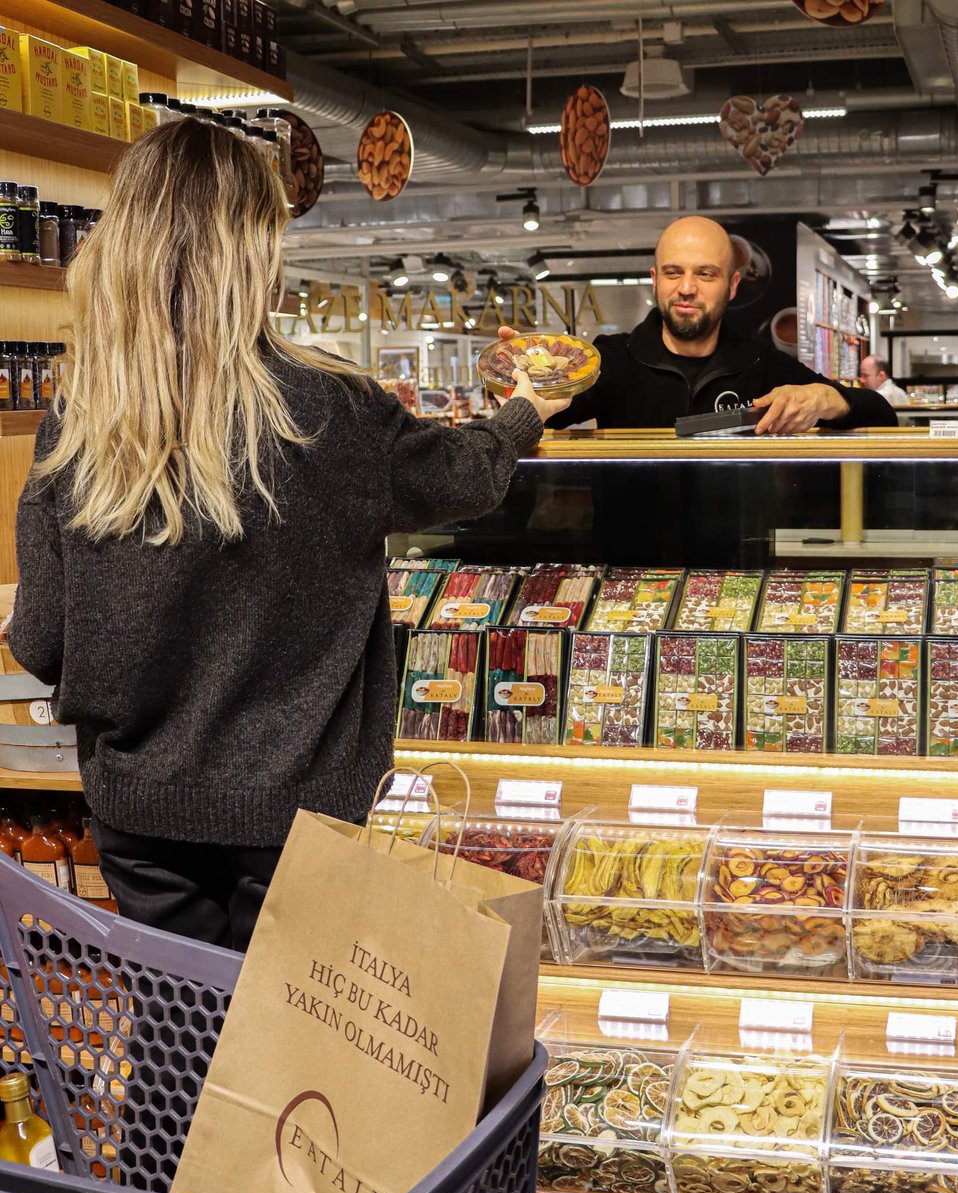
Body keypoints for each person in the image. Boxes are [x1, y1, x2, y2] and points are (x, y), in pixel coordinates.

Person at [6, 119, 567, 952]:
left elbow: (41, 642)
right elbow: (463, 476)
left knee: (177, 1019)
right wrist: (522, 413)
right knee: (297, 1030)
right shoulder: (328, 408)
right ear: (254, 249)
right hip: (304, 819)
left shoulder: (77, 424)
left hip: (139, 818)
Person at [520, 215, 897, 433]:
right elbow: (545, 412)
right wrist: (521, 376)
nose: (686, 288)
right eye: (673, 272)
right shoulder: (613, 359)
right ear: (655, 280)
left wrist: (826, 398)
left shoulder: (760, 362)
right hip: (628, 551)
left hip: (740, 551)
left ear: (732, 285)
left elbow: (881, 415)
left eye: (705, 274)